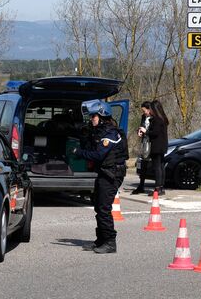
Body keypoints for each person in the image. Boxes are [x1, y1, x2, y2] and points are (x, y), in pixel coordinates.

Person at [72, 100, 128, 254]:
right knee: (98, 205)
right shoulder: (100, 132)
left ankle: (110, 242)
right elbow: (92, 146)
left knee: (104, 208)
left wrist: (79, 153)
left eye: (93, 116)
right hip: (105, 172)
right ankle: (101, 239)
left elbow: (98, 154)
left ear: (102, 115)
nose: (91, 119)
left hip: (112, 173)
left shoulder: (110, 134)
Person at [138, 100, 169, 196]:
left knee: (157, 167)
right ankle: (161, 187)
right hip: (162, 145)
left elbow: (154, 133)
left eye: (151, 108)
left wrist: (145, 131)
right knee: (161, 166)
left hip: (156, 146)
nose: (150, 111)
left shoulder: (157, 120)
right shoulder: (163, 119)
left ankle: (157, 188)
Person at [131, 101, 152, 195]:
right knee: (142, 162)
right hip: (144, 141)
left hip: (151, 142)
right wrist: (139, 131)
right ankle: (141, 185)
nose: (143, 113)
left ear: (149, 109)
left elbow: (153, 130)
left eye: (144, 111)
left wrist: (146, 131)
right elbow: (142, 126)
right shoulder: (144, 117)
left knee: (149, 162)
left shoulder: (154, 118)